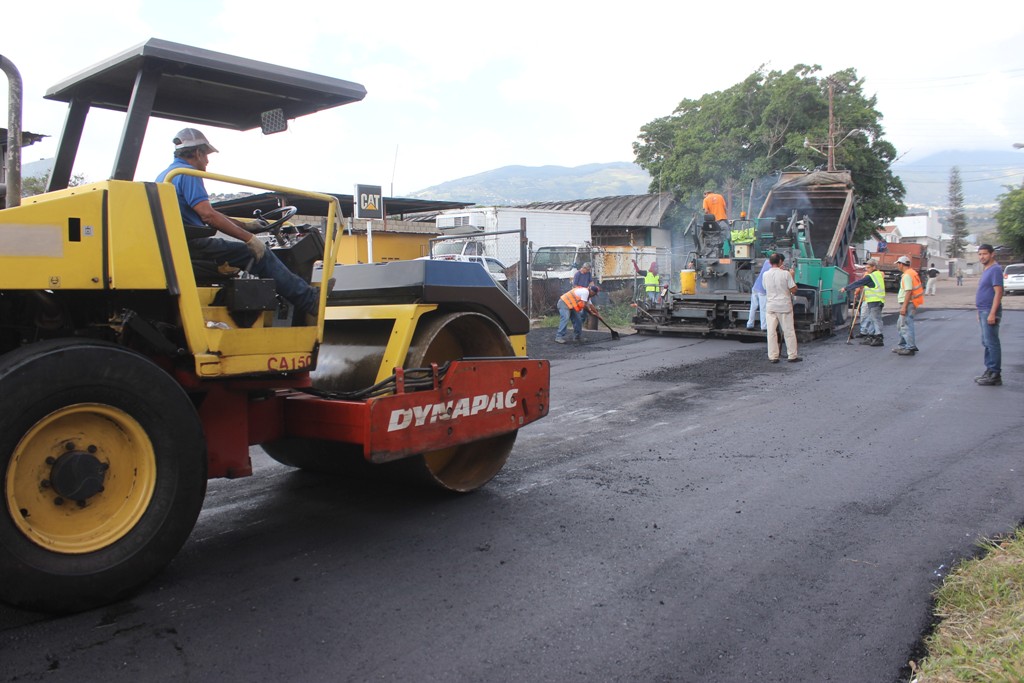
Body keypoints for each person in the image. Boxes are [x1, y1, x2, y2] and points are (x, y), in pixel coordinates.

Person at [156, 128, 319, 317]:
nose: (207, 161)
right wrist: (249, 239)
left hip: (177, 244)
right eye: (206, 155)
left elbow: (208, 213)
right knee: (259, 253)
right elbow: (207, 215)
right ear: (198, 153)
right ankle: (307, 299)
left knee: (250, 251)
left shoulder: (166, 175)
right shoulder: (188, 173)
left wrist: (245, 226)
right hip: (194, 245)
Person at [763, 252, 801, 363]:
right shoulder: (786, 274)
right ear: (780, 262)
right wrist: (792, 276)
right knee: (788, 331)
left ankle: (773, 356)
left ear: (770, 262)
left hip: (771, 306)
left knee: (771, 332)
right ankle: (792, 355)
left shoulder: (765, 274)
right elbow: (793, 289)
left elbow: (765, 288)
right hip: (784, 306)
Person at [974, 244, 1003, 386]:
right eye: (979, 254)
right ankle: (989, 370)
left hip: (990, 311)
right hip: (983, 310)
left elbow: (998, 292)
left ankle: (995, 373)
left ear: (992, 254)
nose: (982, 257)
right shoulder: (987, 269)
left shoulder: (995, 270)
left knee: (992, 342)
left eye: (984, 254)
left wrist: (992, 313)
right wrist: (979, 311)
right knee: (986, 342)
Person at [841, 258, 886, 346]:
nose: (866, 269)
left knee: (875, 319)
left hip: (875, 301)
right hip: (876, 301)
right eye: (866, 267)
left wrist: (846, 288)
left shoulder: (870, 277)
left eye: (868, 267)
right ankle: (871, 336)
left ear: (874, 267)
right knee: (872, 319)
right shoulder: (878, 274)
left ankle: (878, 338)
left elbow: (859, 283)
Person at [893, 255, 924, 356]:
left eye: (898, 264)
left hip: (908, 303)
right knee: (900, 324)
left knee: (905, 324)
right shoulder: (912, 273)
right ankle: (903, 345)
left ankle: (910, 347)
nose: (897, 266)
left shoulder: (907, 275)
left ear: (901, 264)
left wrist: (904, 306)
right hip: (912, 302)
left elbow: (908, 291)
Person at [746, 258, 771, 330]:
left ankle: (749, 324)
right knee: (763, 309)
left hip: (755, 287)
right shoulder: (772, 268)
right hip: (762, 290)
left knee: (753, 307)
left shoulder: (766, 262)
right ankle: (764, 326)